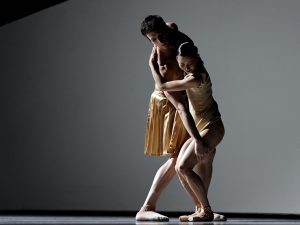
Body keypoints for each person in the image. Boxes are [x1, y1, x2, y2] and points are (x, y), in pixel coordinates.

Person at [136, 15, 226, 222]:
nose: (160, 41)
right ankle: (147, 206)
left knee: (207, 153)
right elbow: (177, 103)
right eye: (154, 39)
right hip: (174, 104)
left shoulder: (176, 36)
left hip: (191, 105)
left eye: (161, 35)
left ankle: (202, 207)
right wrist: (151, 63)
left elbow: (170, 29)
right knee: (180, 158)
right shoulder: (163, 61)